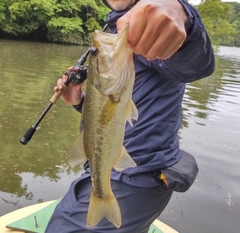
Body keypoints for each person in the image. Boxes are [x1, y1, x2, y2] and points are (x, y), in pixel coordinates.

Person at [45, 0, 215, 232]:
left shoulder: (153, 30)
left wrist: (183, 14)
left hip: (136, 177)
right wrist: (81, 102)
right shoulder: (116, 32)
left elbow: (196, 65)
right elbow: (108, 117)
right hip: (107, 170)